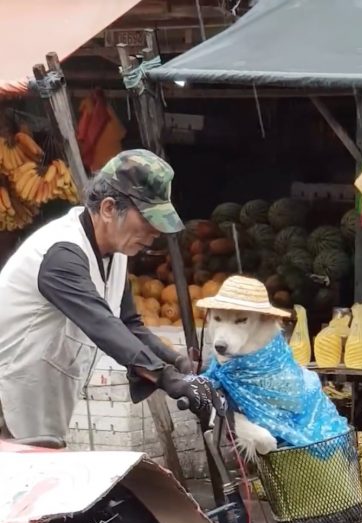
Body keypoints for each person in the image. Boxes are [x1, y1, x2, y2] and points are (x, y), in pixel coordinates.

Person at [0, 149, 223, 441]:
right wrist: (167, 379)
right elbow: (103, 324)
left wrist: (180, 363)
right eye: (147, 219)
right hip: (7, 404)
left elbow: (129, 325)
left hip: (38, 409)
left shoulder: (115, 253)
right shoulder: (61, 254)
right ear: (108, 208)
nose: (154, 232)